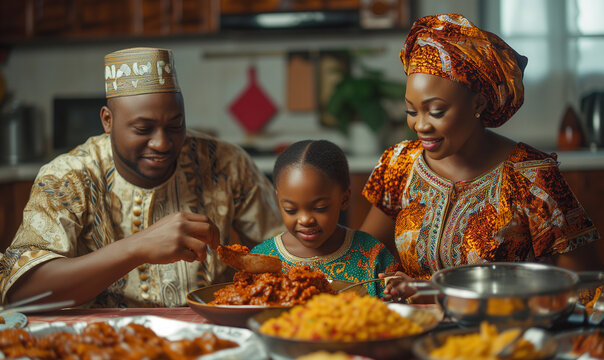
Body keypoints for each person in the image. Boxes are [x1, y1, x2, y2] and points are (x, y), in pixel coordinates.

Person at [0, 47, 284, 307]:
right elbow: (22, 293)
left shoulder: (225, 163)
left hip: (214, 334)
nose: (162, 143)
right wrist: (136, 248)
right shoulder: (67, 178)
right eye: (143, 129)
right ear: (107, 121)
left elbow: (285, 250)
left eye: (175, 125)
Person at [358, 14, 602, 301]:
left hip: (503, 336)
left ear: (479, 104)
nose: (420, 125)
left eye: (436, 111)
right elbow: (365, 258)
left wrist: (443, 295)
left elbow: (586, 286)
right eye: (412, 111)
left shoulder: (531, 176)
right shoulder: (398, 164)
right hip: (411, 333)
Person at [251, 140, 400, 296]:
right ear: (278, 201)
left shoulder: (371, 253)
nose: (305, 220)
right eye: (291, 210)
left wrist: (398, 289)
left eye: (319, 208)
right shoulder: (262, 259)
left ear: (344, 199)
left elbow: (399, 304)